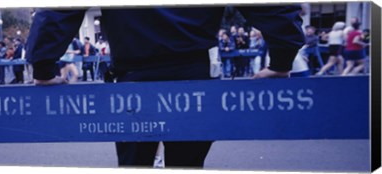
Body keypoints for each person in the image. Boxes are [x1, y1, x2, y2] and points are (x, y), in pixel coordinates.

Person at [25, 6, 305, 168]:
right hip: (196, 72)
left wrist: (43, 66)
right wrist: (282, 60)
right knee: (187, 167)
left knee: (135, 168)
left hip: (132, 77)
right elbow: (273, 6)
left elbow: (57, 10)